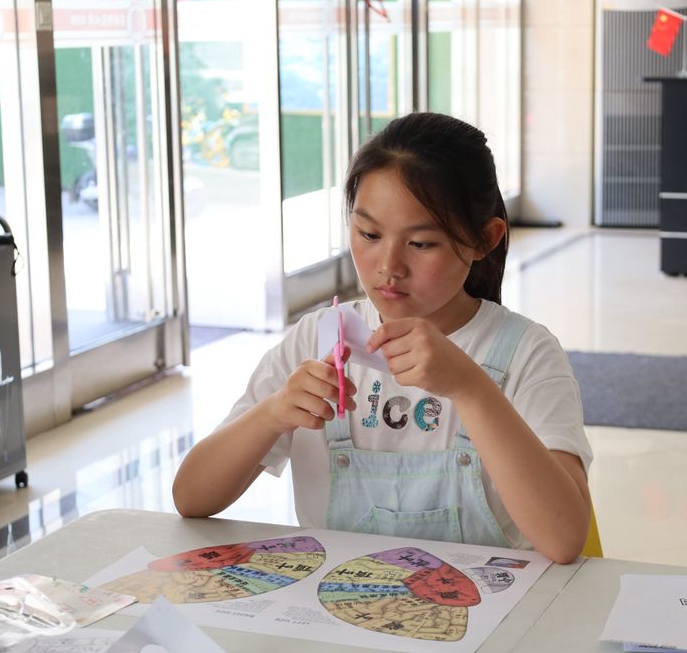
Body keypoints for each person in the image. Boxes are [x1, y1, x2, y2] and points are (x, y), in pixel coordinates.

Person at [173, 112, 593, 563]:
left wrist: (471, 388)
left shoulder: (526, 353)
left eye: (421, 243)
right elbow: (191, 498)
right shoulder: (315, 340)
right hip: (337, 598)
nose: (389, 266)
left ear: (483, 239)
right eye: (369, 234)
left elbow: (564, 539)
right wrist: (272, 414)